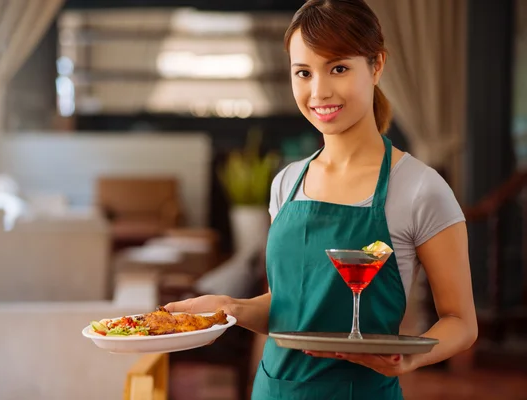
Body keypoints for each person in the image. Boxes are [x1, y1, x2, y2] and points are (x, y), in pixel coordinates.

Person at [165, 0, 478, 398]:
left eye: (339, 68)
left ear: (376, 65)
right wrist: (232, 308)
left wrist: (412, 358)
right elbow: (293, 307)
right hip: (273, 390)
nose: (319, 91)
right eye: (303, 72)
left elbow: (461, 322)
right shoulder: (287, 183)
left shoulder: (419, 187)